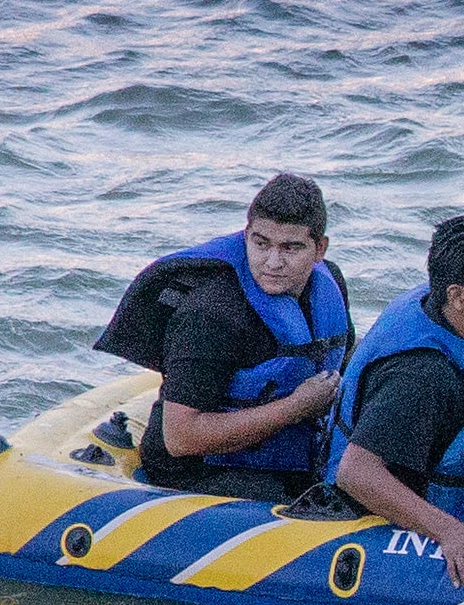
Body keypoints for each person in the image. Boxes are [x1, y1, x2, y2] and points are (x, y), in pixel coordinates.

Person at [92, 173, 351, 502]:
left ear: (319, 249)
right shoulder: (211, 315)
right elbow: (180, 438)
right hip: (192, 471)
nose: (273, 262)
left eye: (291, 247)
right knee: (297, 502)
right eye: (261, 243)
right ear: (246, 236)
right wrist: (295, 408)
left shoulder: (331, 285)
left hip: (286, 450)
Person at [322, 213, 464, 593]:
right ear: (458, 296)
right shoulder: (422, 377)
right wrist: (451, 532)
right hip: (366, 520)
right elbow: (354, 473)